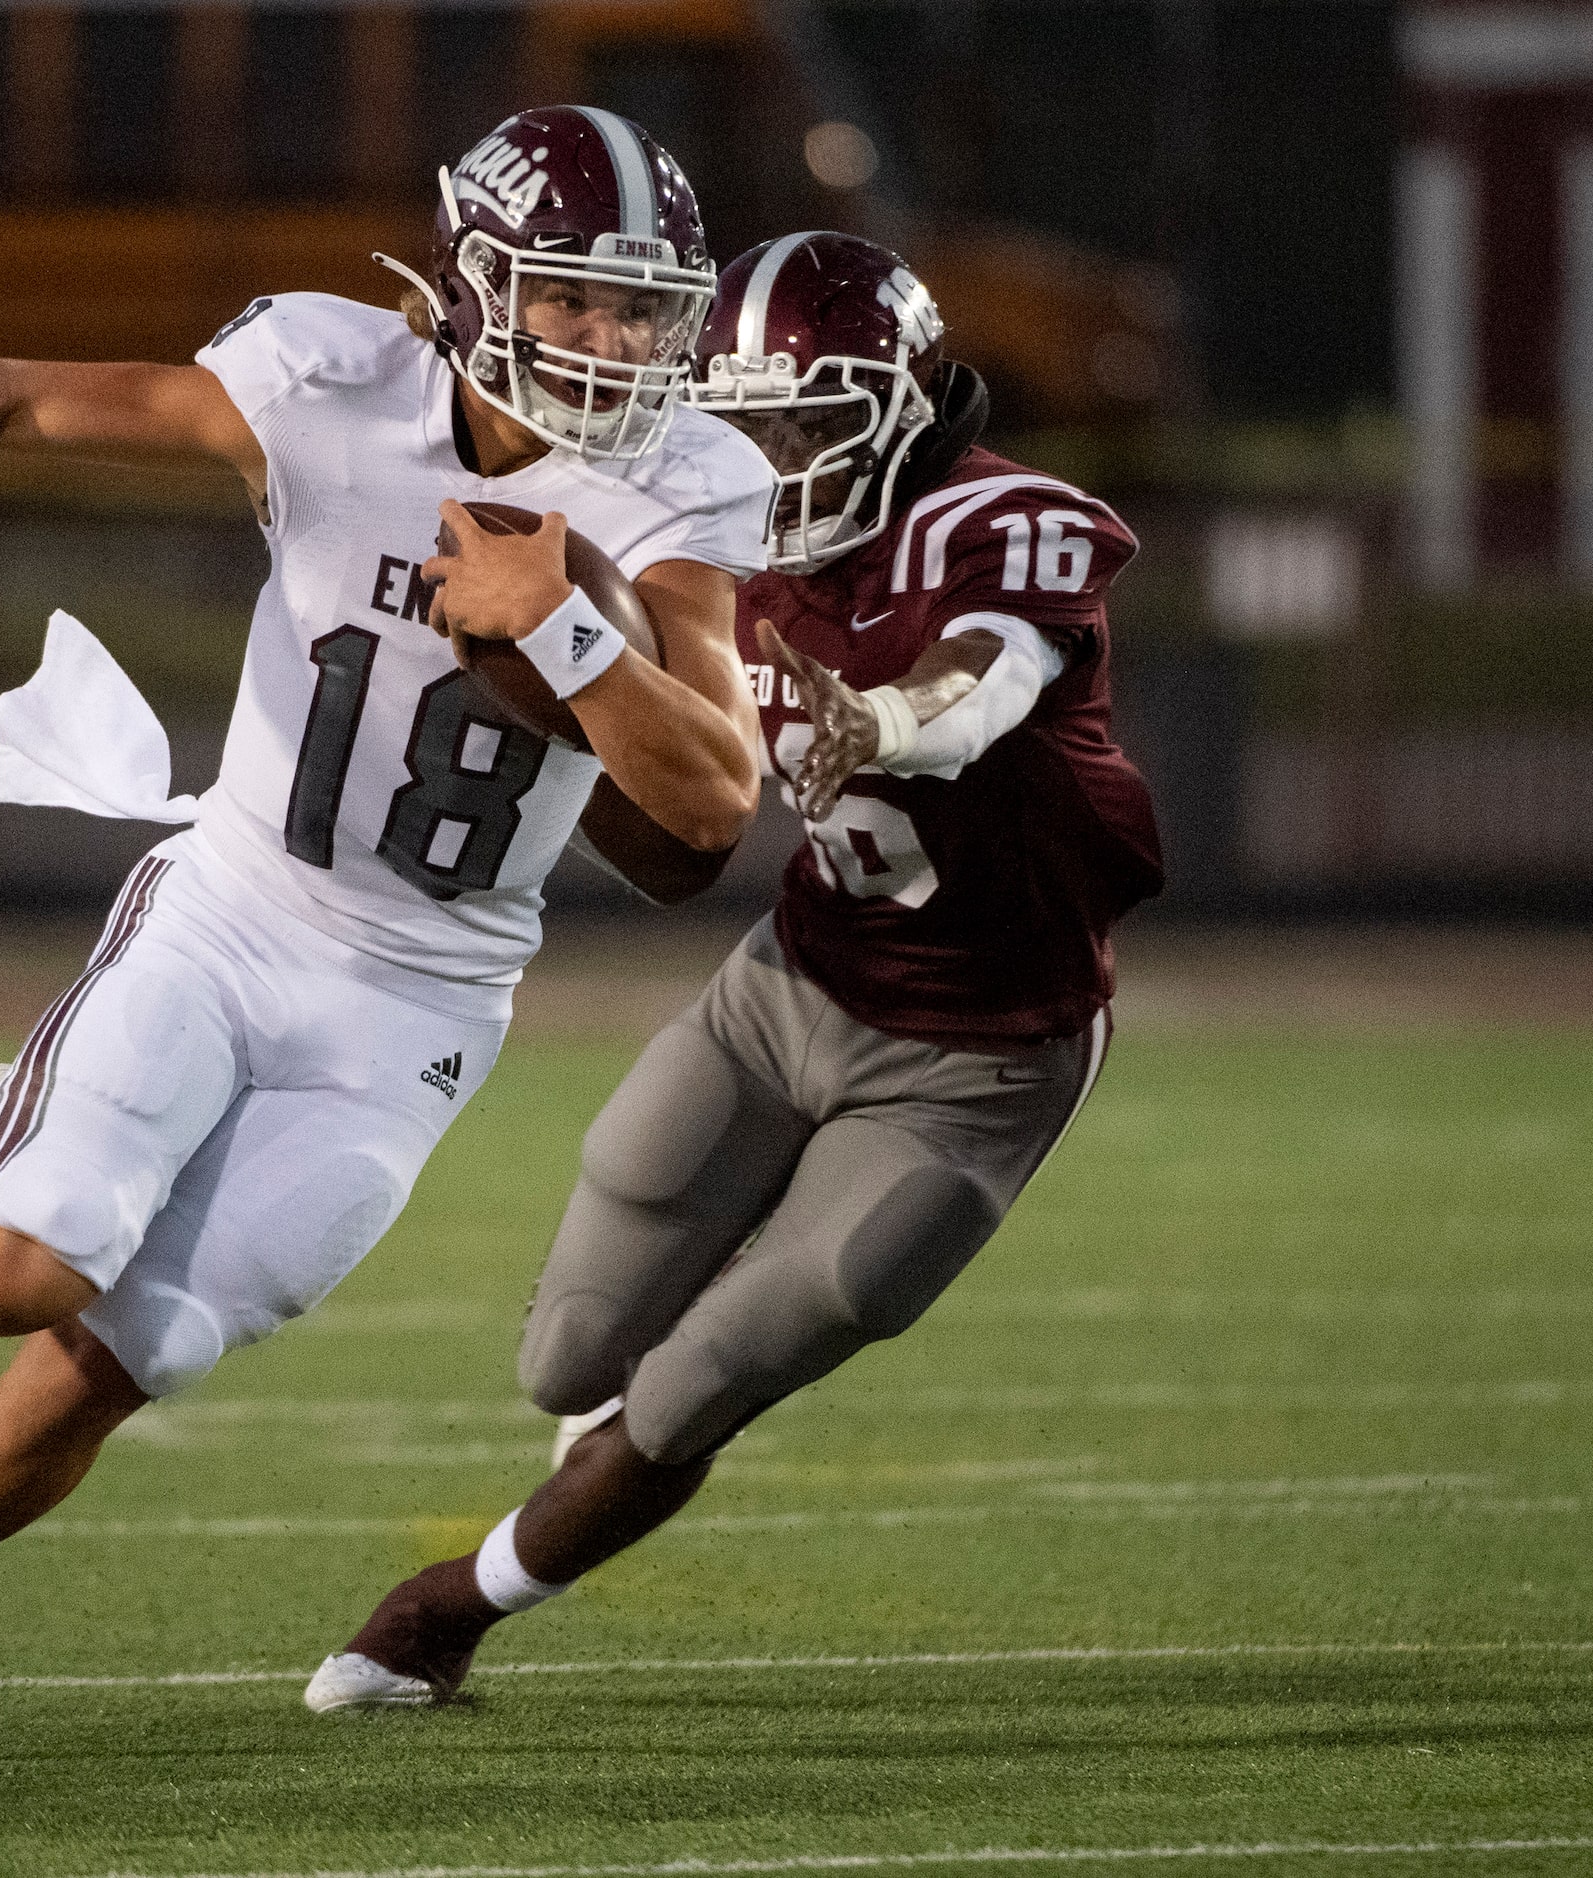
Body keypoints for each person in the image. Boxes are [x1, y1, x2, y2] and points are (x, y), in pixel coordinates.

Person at [0, 106, 779, 1771]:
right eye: (574, 298)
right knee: (10, 1276)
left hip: (421, 1004)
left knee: (121, 1358)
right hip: (235, 909)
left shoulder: (680, 484)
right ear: (472, 282)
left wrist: (571, 622)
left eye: (640, 309)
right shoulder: (324, 382)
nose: (610, 342)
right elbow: (10, 390)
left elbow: (711, 799)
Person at [303, 232, 1165, 1711]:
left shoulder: (1003, 522)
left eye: (809, 421)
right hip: (790, 981)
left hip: (979, 1059)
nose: (773, 454)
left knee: (705, 1379)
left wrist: (886, 726)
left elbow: (987, 676)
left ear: (901, 403)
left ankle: (452, 1610)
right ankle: (589, 1455)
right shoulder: (696, 515)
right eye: (750, 420)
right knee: (565, 1353)